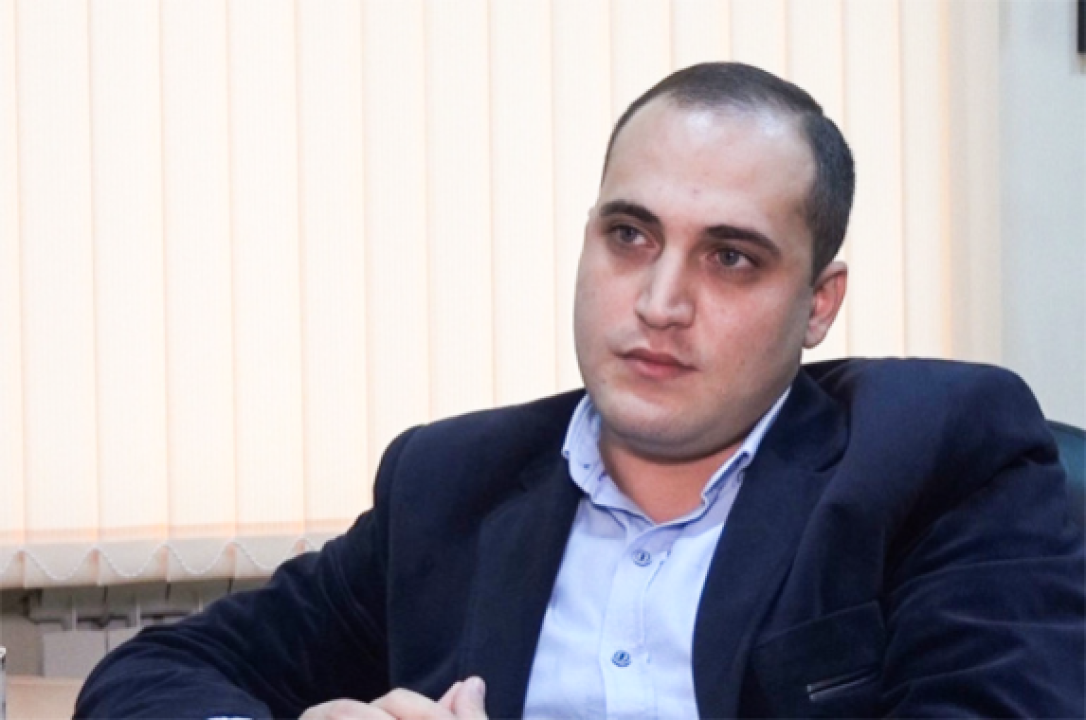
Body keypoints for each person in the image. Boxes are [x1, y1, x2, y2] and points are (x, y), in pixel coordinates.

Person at [75, 63, 1084, 719]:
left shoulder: (935, 457)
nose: (659, 302)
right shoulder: (450, 484)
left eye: (731, 258)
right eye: (630, 236)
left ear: (818, 305)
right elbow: (149, 680)